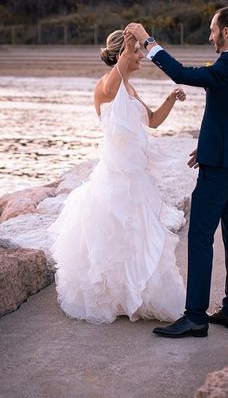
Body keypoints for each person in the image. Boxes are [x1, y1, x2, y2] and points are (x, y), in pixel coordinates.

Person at [125, 5, 228, 338]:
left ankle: (196, 317)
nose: (210, 36)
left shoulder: (225, 66)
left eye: (213, 29)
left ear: (226, 32)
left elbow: (180, 73)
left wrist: (148, 41)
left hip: (219, 168)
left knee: (200, 236)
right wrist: (211, 146)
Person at [48, 29, 187, 324]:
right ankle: (115, 297)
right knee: (113, 238)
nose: (141, 57)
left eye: (138, 51)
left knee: (138, 237)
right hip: (113, 177)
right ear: (122, 53)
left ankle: (136, 294)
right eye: (137, 52)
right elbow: (112, 89)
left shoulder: (132, 90)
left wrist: (171, 97)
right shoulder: (105, 86)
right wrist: (128, 46)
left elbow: (152, 121)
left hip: (136, 176)